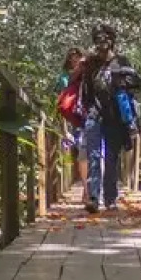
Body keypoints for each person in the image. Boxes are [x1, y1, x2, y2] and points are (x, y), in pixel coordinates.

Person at [78, 23, 141, 213]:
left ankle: (110, 199)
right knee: (93, 155)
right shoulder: (91, 64)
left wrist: (121, 79)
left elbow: (137, 82)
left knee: (111, 158)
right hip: (94, 114)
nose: (102, 42)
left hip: (115, 116)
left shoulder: (121, 61)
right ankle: (93, 198)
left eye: (105, 38)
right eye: (98, 38)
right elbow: (85, 89)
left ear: (112, 40)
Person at [55, 48, 87, 188]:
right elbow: (61, 104)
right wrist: (64, 131)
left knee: (91, 151)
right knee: (80, 150)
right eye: (72, 58)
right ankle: (84, 186)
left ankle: (89, 186)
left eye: (77, 57)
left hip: (89, 116)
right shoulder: (64, 77)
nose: (74, 60)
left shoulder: (89, 73)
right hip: (74, 121)